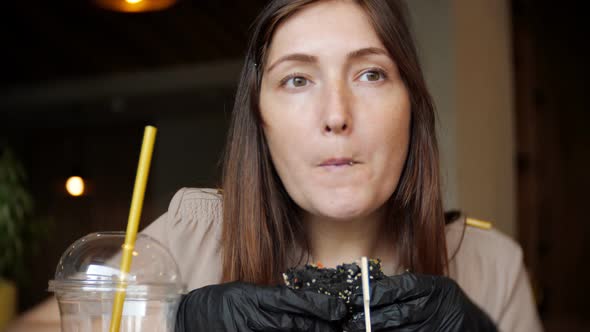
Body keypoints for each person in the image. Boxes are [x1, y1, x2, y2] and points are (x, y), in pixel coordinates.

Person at [8, 0, 542, 331]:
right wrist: (175, 323)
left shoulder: (489, 266)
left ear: (413, 107)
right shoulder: (193, 235)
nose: (336, 115)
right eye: (297, 80)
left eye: (371, 74)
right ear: (261, 121)